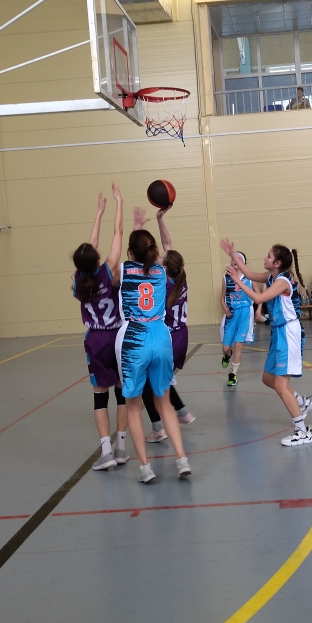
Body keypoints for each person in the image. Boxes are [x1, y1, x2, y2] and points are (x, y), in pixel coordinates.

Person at [114, 206, 191, 483]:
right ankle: (182, 459)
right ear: (154, 250)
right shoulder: (161, 271)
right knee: (165, 403)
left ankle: (145, 468)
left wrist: (132, 227)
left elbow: (126, 252)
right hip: (161, 337)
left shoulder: (123, 270)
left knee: (133, 407)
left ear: (130, 252)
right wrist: (157, 220)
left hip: (134, 338)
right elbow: (164, 248)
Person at [221, 239, 312, 447]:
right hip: (278, 332)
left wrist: (237, 280)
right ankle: (301, 402)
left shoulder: (282, 281)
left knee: (281, 385)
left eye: (269, 256)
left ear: (277, 263)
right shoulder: (272, 276)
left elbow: (259, 297)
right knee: (268, 379)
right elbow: (250, 273)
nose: (265, 258)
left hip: (289, 332)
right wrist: (232, 255)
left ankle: (302, 431)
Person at [74, 184, 129, 472]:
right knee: (121, 393)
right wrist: (118, 204)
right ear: (96, 259)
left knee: (100, 397)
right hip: (118, 336)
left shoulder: (78, 279)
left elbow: (90, 246)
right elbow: (118, 232)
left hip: (95, 339)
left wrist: (98, 213)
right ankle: (121, 448)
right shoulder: (108, 270)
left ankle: (106, 452)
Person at [143, 244, 195, 442]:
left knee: (147, 382)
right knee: (160, 379)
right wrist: (161, 224)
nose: (158, 257)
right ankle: (182, 412)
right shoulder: (181, 279)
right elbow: (169, 247)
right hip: (182, 336)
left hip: (169, 339)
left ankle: (159, 428)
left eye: (161, 257)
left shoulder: (162, 285)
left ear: (164, 267)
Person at [220, 250, 255, 387]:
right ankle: (227, 355)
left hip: (245, 313)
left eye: (238, 258)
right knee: (225, 348)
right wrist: (225, 309)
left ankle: (233, 374)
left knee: (238, 345)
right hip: (232, 314)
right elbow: (222, 298)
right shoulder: (226, 278)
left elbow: (258, 296)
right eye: (233, 258)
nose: (235, 260)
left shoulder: (250, 278)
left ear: (243, 263)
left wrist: (259, 309)